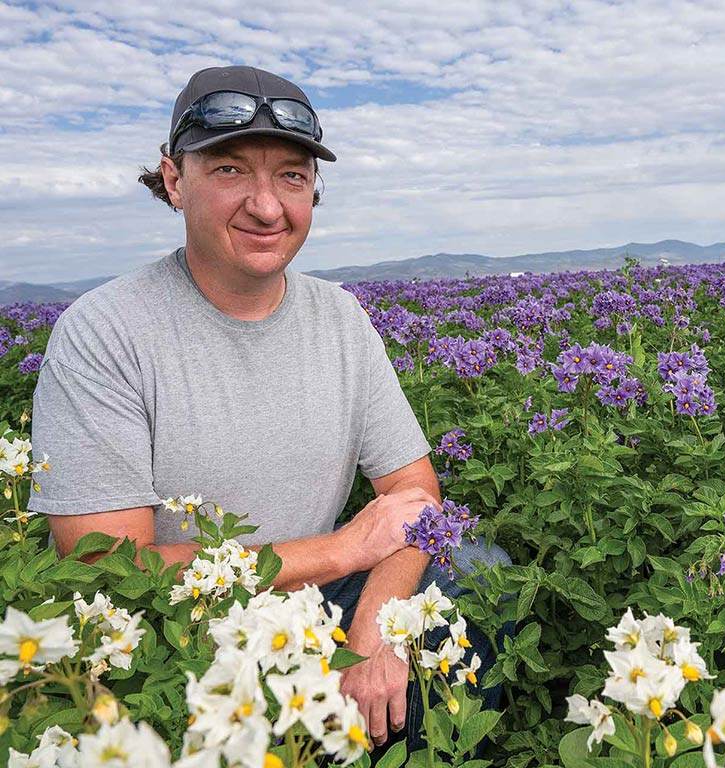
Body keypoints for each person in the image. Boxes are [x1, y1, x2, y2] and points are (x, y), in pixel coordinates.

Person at [27, 65, 509, 752]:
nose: (266, 206)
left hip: (317, 609)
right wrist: (344, 548)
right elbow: (109, 570)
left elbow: (413, 494)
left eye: (290, 175)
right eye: (229, 170)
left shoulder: (340, 317)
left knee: (481, 568)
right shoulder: (103, 332)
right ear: (173, 180)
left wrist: (380, 625)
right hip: (177, 639)